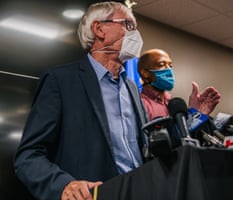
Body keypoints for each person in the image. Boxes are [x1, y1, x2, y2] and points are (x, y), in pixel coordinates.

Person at [14, 2, 148, 200]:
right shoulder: (61, 80)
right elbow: (28, 156)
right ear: (99, 29)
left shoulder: (132, 88)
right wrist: (64, 185)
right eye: (128, 25)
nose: (135, 34)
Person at [137, 48, 221, 121]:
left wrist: (197, 113)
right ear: (145, 73)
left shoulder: (174, 104)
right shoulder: (140, 104)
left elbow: (186, 137)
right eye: (161, 64)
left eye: (170, 65)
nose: (169, 69)